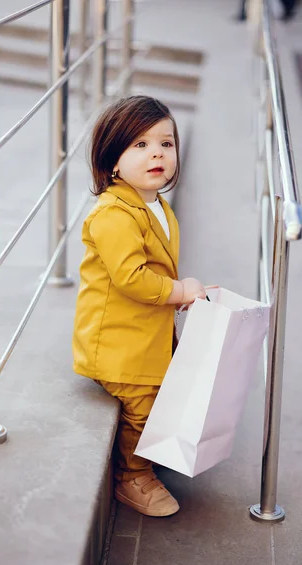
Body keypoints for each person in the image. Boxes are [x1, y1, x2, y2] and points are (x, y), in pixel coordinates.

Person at [73, 96, 207, 517]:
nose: (157, 154)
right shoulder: (113, 214)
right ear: (112, 161)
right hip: (117, 343)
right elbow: (131, 278)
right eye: (140, 145)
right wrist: (180, 291)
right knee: (145, 403)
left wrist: (186, 293)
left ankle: (149, 455)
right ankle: (132, 476)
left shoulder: (155, 205)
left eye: (166, 144)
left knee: (170, 389)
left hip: (144, 333)